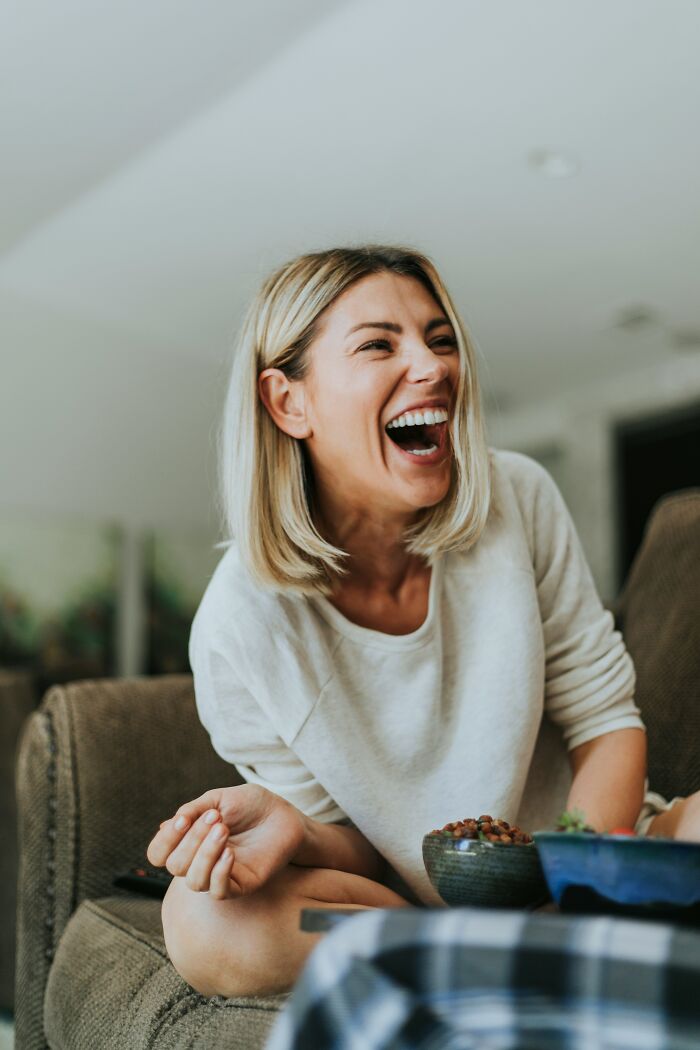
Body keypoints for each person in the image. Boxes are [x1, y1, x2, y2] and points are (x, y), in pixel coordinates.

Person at [146, 244, 700, 1000]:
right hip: (413, 912)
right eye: (380, 344)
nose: (435, 366)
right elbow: (366, 859)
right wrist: (297, 830)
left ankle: (527, 961)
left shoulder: (518, 498)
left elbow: (607, 722)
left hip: (595, 867)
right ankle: (489, 961)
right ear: (288, 403)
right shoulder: (238, 628)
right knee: (205, 920)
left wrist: (564, 896)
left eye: (440, 340)